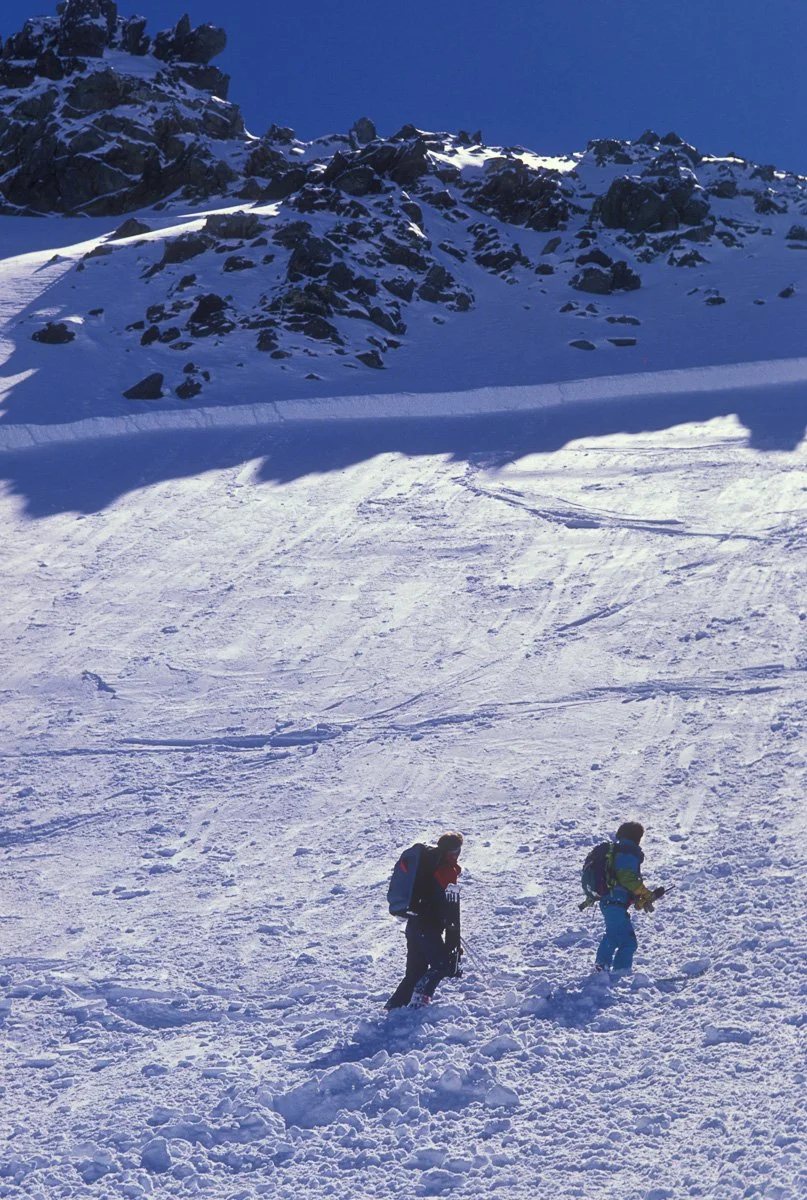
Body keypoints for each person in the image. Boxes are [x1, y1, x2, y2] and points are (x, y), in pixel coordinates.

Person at [385, 831, 464, 1010]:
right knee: (443, 964)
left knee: (415, 970)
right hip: (427, 927)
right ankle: (420, 1001)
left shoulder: (428, 866)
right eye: (456, 851)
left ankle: (395, 1006)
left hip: (414, 924)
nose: (457, 855)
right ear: (450, 852)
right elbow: (448, 904)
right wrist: (453, 937)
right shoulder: (445, 870)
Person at [595, 821, 664, 974]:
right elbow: (627, 878)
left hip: (612, 902)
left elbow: (624, 882)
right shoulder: (628, 851)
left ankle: (607, 969)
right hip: (615, 902)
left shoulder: (618, 851)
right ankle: (617, 972)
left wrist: (640, 900)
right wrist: (646, 894)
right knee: (626, 942)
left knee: (617, 938)